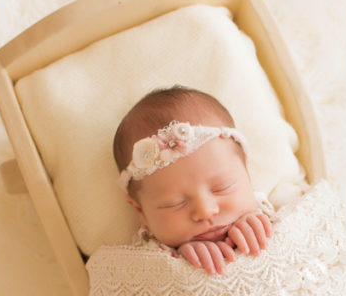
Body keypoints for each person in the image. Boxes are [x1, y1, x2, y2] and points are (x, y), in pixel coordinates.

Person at [113, 86, 273, 275]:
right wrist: (180, 263)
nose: (205, 211)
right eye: (174, 203)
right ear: (140, 211)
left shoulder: (267, 210)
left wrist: (261, 224)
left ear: (246, 171)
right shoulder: (148, 256)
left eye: (222, 187)